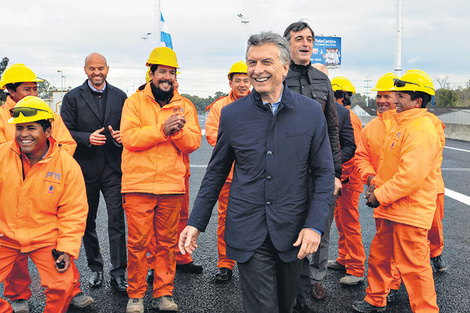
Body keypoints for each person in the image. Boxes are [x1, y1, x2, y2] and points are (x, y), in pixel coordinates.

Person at [179, 31, 335, 313]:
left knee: (286, 306)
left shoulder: (311, 113)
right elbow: (216, 173)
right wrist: (195, 222)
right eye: (252, 62)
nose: (257, 70)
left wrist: (314, 225)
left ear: (285, 67)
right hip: (248, 230)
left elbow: (324, 174)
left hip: (294, 231)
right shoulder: (233, 114)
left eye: (266, 62)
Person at [0, 64, 93, 312]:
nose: (23, 134)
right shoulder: (2, 155)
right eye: (19, 128)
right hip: (6, 235)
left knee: (62, 287)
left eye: (31, 128)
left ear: (48, 131)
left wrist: (65, 248)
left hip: (44, 236)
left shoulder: (67, 166)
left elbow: (73, 213)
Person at [120, 46, 201, 313]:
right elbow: (130, 138)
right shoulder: (133, 102)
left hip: (171, 187)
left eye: (171, 72)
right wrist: (162, 129)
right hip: (138, 186)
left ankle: (163, 294)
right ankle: (136, 295)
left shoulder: (185, 105)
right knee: (137, 243)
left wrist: (176, 133)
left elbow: (193, 143)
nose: (167, 77)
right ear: (151, 73)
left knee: (167, 244)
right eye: (162, 72)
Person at [353, 70, 440, 312]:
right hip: (392, 209)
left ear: (417, 101)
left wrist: (378, 195)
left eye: (400, 96)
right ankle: (375, 298)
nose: (395, 101)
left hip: (409, 211)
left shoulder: (420, 129)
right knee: (380, 258)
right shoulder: (403, 124)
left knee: (414, 268)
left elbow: (409, 177)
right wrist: (374, 185)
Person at [283, 21, 341, 312]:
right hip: (286, 173)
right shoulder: (278, 77)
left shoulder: (322, 80)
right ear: (287, 44)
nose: (305, 43)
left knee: (318, 229)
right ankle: (287, 295)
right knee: (289, 233)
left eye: (309, 39)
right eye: (298, 39)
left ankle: (305, 293)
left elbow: (332, 127)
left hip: (318, 172)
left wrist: (335, 173)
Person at [61, 53, 128, 292]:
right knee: (86, 222)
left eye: (100, 68)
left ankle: (119, 273)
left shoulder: (121, 96)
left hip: (112, 168)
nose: (96, 72)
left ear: (108, 69)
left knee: (116, 221)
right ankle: (96, 269)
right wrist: (86, 138)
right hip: (85, 168)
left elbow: (128, 128)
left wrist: (122, 137)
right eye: (92, 68)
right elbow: (65, 132)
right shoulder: (72, 98)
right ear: (85, 70)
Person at [205, 60, 251, 282]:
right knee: (225, 219)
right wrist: (241, 146)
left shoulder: (260, 102)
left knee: (254, 219)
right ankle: (225, 264)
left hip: (254, 175)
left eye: (246, 80)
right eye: (238, 80)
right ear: (230, 82)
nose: (242, 84)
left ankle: (252, 262)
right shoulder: (219, 106)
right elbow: (212, 134)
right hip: (228, 175)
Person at [327, 77, 365, 285]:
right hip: (342, 179)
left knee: (349, 224)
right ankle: (344, 258)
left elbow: (353, 151)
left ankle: (357, 268)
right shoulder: (341, 116)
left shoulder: (348, 118)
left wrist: (341, 178)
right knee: (342, 223)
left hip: (348, 180)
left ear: (339, 97)